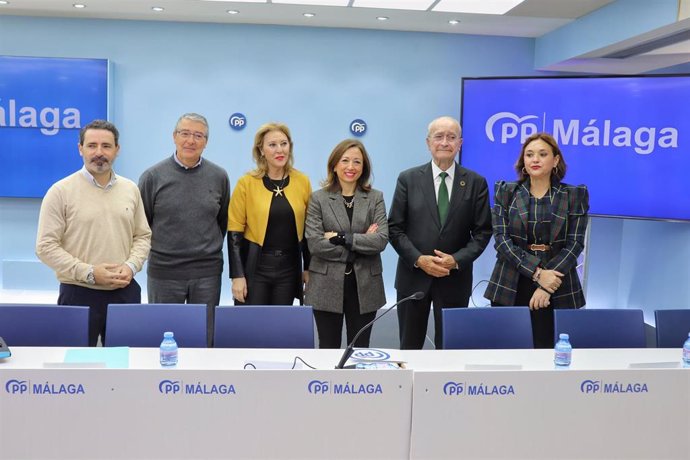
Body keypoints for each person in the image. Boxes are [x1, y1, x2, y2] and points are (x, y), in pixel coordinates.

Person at [36, 119, 151, 346]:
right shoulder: (60, 191)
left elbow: (143, 236)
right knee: (76, 370)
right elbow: (45, 246)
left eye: (106, 146)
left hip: (124, 293)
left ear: (117, 150)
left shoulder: (130, 189)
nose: (99, 152)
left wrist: (130, 266)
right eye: (92, 145)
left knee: (127, 366)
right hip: (78, 294)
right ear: (80, 149)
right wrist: (89, 272)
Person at [388, 116, 492, 349]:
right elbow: (394, 227)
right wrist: (418, 259)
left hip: (454, 279)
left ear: (460, 143)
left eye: (451, 137)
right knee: (409, 348)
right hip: (413, 279)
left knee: (451, 349)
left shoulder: (476, 182)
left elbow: (483, 231)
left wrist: (456, 260)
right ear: (428, 143)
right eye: (439, 136)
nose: (445, 142)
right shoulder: (408, 179)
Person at [484, 132, 589, 348]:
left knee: (549, 354)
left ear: (556, 160)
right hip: (511, 282)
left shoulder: (574, 195)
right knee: (507, 353)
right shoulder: (506, 192)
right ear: (523, 160)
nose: (535, 159)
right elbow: (502, 240)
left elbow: (575, 244)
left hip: (558, 284)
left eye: (542, 154)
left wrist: (547, 285)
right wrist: (538, 274)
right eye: (529, 154)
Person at [138, 113, 230, 346]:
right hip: (164, 273)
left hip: (207, 273)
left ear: (206, 142)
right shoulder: (152, 177)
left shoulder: (219, 176)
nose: (191, 140)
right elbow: (142, 225)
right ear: (174, 137)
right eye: (185, 134)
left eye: (198, 135)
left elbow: (222, 222)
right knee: (163, 339)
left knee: (205, 338)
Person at [305, 139, 388, 348]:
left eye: (357, 162)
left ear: (364, 167)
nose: (351, 167)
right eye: (345, 161)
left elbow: (380, 240)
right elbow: (315, 244)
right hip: (325, 284)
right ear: (334, 165)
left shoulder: (375, 198)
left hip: (365, 285)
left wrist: (341, 238)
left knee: (359, 349)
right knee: (328, 347)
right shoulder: (318, 199)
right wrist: (360, 244)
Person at [228, 122, 311, 305]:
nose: (279, 150)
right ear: (261, 150)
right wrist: (237, 275)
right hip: (256, 267)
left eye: (284, 143)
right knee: (253, 327)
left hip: (289, 269)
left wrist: (308, 268)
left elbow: (308, 230)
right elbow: (234, 233)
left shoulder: (302, 181)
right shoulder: (246, 183)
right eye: (272, 145)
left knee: (280, 328)